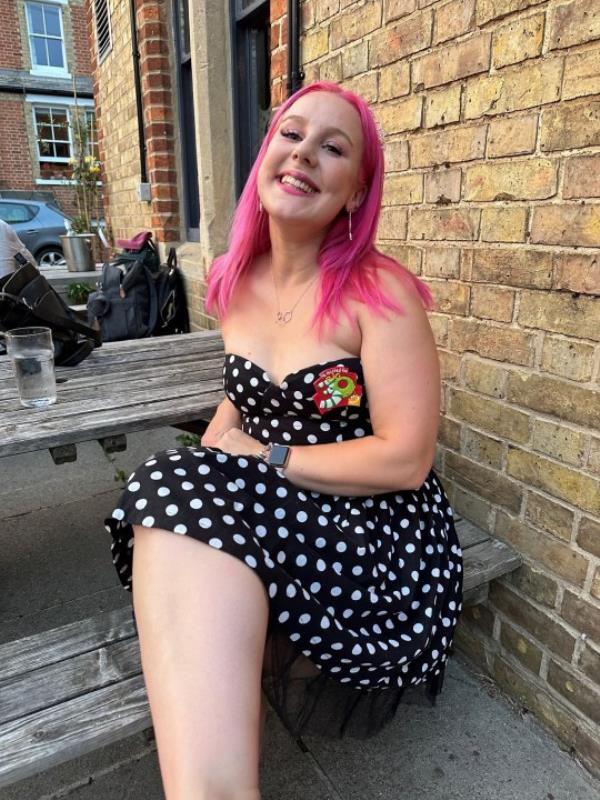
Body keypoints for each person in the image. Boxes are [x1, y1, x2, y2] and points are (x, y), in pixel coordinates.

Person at [106, 80, 463, 800]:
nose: (303, 154)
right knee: (169, 491)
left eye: (333, 148)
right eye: (290, 135)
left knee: (172, 494)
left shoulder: (380, 292)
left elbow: (406, 458)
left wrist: (264, 460)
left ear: (356, 192)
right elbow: (239, 405)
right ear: (266, 154)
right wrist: (208, 469)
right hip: (274, 498)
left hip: (376, 530)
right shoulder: (232, 279)